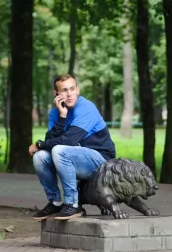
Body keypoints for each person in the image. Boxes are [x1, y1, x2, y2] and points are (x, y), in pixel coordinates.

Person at [28, 74, 116, 220]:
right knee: (40, 156)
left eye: (72, 89)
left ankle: (73, 204)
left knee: (58, 149)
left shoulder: (86, 108)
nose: (69, 94)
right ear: (56, 94)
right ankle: (55, 202)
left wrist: (39, 144)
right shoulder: (55, 113)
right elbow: (51, 140)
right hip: (72, 158)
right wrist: (62, 116)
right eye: (64, 90)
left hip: (100, 161)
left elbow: (68, 141)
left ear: (78, 90)